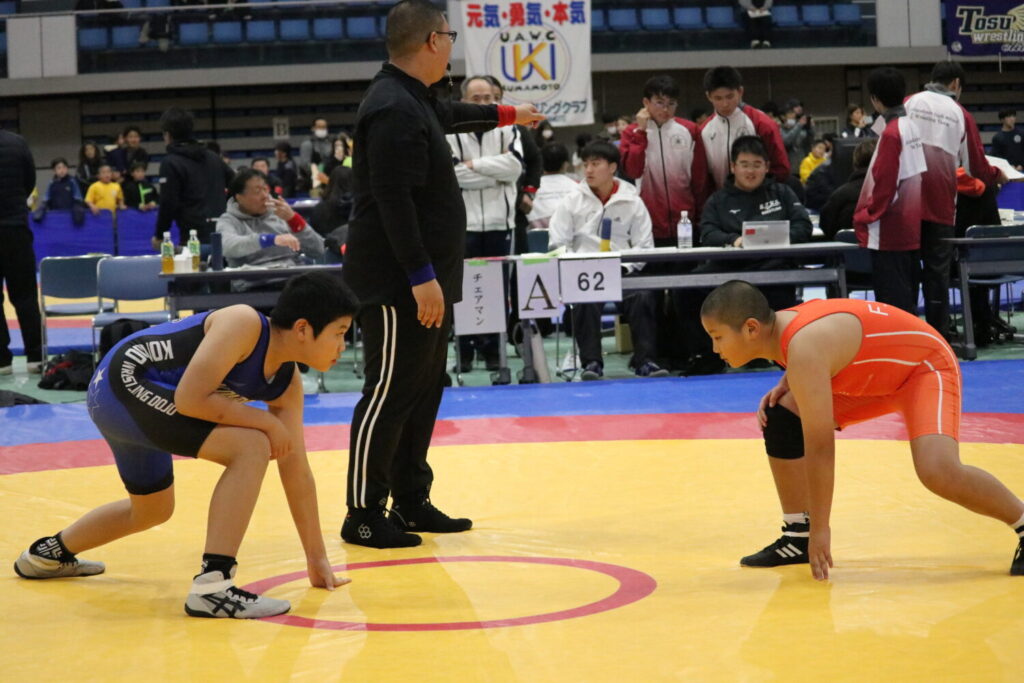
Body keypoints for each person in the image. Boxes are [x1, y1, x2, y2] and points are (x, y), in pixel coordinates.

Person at [13, 273, 358, 616]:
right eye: (339, 333)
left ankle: (47, 555)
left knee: (152, 509)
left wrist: (317, 558)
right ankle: (214, 585)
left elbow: (296, 471)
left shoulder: (285, 384)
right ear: (302, 329)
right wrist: (267, 421)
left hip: (127, 401)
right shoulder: (244, 324)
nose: (343, 346)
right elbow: (190, 398)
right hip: (124, 382)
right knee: (252, 446)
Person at [341, 0, 543, 548]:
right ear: (433, 40)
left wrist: (512, 114)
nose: (453, 45)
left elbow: (452, 116)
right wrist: (420, 275)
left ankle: (409, 499)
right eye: (450, 36)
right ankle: (363, 511)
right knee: (388, 392)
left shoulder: (414, 97)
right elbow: (393, 200)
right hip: (398, 282)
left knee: (423, 388)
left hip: (425, 278)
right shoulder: (392, 106)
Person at [699, 279, 1024, 580]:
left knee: (938, 470)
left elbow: (821, 446)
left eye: (717, 337)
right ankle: (797, 536)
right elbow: (824, 345)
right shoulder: (787, 334)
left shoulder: (803, 345)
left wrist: (822, 529)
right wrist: (791, 379)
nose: (715, 349)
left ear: (751, 328)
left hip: (924, 369)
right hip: (875, 377)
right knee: (782, 415)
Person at [548, 141, 666, 380]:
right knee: (584, 299)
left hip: (624, 271)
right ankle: (591, 363)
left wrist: (624, 267)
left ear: (612, 167)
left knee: (644, 295)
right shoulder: (571, 200)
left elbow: (644, 245)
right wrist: (578, 265)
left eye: (595, 164)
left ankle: (645, 361)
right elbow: (558, 243)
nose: (588, 170)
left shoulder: (632, 201)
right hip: (586, 273)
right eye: (586, 164)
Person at [904, 61, 1005, 340]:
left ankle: (907, 335)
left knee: (907, 272)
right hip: (940, 205)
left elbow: (883, 142)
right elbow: (977, 169)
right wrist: (997, 175)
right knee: (937, 274)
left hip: (906, 203)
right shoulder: (961, 114)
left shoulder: (908, 103)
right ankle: (938, 337)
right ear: (956, 84)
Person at [448, 75, 525, 373]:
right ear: (463, 102)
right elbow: (452, 174)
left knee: (497, 291)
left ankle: (494, 352)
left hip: (499, 224)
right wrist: (495, 175)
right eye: (476, 99)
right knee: (462, 291)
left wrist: (471, 166)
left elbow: (515, 168)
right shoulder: (450, 132)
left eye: (489, 98)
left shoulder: (508, 128)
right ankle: (465, 353)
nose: (484, 103)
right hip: (462, 226)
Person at [852, 67, 926, 315]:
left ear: (875, 99)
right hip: (909, 227)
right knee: (906, 304)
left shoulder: (892, 134)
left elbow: (885, 184)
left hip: (889, 232)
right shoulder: (910, 126)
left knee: (893, 308)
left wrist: (866, 215)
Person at [620, 74, 707, 248]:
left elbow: (700, 179)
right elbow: (633, 171)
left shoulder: (690, 130)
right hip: (647, 223)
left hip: (685, 221)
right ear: (646, 102)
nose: (666, 109)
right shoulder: (632, 133)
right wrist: (641, 132)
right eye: (659, 102)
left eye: (671, 103)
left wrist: (700, 218)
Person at [700, 66, 789, 192]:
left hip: (759, 196)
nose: (725, 104)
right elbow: (704, 176)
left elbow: (781, 169)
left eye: (730, 96)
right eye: (718, 98)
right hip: (721, 199)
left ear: (740, 92)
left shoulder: (762, 124)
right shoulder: (704, 131)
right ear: (708, 96)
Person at [153, 107, 233, 246]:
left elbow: (168, 203)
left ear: (167, 134)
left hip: (193, 238)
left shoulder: (170, 163)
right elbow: (238, 185)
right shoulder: (213, 157)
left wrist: (160, 235)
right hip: (225, 232)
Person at [217, 168, 325, 269]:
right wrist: (269, 240)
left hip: (292, 276)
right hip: (253, 279)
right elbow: (228, 246)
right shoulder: (228, 220)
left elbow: (318, 250)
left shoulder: (280, 214)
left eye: (265, 189)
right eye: (257, 191)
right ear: (239, 197)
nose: (265, 196)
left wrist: (294, 219)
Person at [0, 125, 43, 376]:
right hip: (16, 228)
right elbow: (29, 182)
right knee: (26, 295)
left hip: (13, 222)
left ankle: (2, 360)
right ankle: (35, 357)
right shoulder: (17, 143)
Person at [819, 138, 875, 240]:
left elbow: (826, 226)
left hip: (846, 250)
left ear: (855, 163)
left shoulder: (840, 196)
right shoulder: (897, 194)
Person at [526, 143, 577, 230]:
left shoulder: (529, 190)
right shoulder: (577, 188)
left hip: (537, 237)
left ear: (540, 163)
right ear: (565, 164)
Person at [33, 157, 86, 225]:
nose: (62, 170)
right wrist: (41, 210)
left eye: (64, 167)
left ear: (67, 169)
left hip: (71, 217)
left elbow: (78, 198)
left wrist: (78, 210)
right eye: (59, 168)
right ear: (54, 170)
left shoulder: (72, 181)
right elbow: (46, 200)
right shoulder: (52, 183)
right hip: (56, 217)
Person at [298, 117, 333, 192]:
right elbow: (304, 164)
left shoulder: (331, 143)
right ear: (313, 128)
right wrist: (318, 174)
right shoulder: (307, 144)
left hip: (329, 181)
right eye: (319, 127)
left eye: (324, 127)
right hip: (312, 182)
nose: (322, 129)